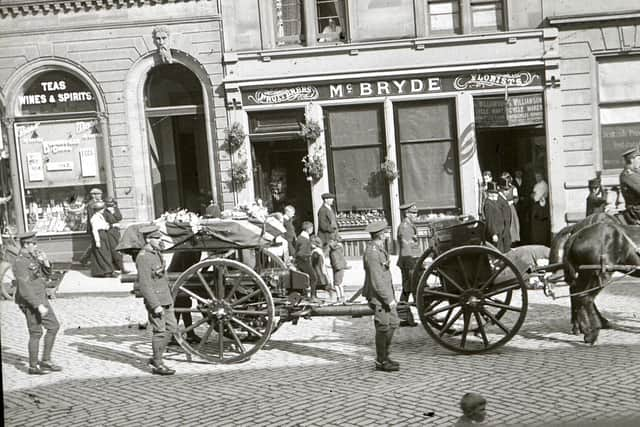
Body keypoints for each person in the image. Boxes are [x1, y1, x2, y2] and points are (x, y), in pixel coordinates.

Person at [13, 231, 62, 375]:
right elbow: (24, 287)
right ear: (26, 245)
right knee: (35, 333)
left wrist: (45, 262)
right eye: (33, 244)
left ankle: (46, 360)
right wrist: (37, 305)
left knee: (53, 326)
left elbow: (44, 275)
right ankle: (33, 367)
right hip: (31, 301)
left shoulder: (32, 257)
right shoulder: (20, 262)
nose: (35, 247)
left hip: (41, 297)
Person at [136, 224, 177, 375]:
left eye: (160, 237)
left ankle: (156, 356)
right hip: (157, 302)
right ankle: (158, 363)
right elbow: (145, 285)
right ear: (148, 239)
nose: (160, 240)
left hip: (166, 298)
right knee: (160, 331)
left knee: (172, 328)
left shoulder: (156, 252)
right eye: (156, 238)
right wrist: (155, 305)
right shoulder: (143, 258)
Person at [363, 220, 400, 372]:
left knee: (393, 322)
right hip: (379, 296)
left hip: (385, 293)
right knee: (383, 326)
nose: (388, 235)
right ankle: (381, 360)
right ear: (381, 235)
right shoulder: (372, 253)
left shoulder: (378, 248)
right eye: (386, 232)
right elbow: (377, 280)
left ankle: (385, 355)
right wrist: (388, 299)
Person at [396, 203, 420, 327]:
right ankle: (404, 317)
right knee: (410, 288)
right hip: (408, 262)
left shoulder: (409, 225)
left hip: (410, 261)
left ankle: (403, 318)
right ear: (407, 214)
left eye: (416, 213)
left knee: (408, 289)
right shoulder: (405, 227)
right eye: (414, 213)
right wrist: (413, 264)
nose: (416, 215)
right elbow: (406, 248)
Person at [483, 182, 511, 253]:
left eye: (496, 193)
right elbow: (490, 221)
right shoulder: (488, 204)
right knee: (498, 252)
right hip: (496, 232)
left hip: (500, 231)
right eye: (494, 193)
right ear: (489, 194)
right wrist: (493, 233)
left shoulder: (494, 202)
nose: (496, 195)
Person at [89, 201, 115, 277]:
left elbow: (104, 225)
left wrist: (107, 226)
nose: (103, 210)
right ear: (98, 209)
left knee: (106, 253)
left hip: (103, 234)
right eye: (102, 208)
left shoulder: (100, 216)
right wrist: (97, 241)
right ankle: (106, 272)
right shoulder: (94, 218)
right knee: (102, 254)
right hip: (99, 236)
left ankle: (108, 271)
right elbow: (94, 230)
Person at [295, 221, 317, 301]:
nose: (312, 230)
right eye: (312, 228)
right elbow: (301, 252)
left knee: (304, 278)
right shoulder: (304, 239)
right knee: (313, 278)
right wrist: (307, 255)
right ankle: (312, 296)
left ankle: (305, 296)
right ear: (309, 229)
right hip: (304, 261)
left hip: (300, 261)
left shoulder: (301, 237)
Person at [104, 196, 127, 273]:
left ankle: (119, 267)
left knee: (118, 249)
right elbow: (104, 223)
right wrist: (112, 225)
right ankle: (120, 268)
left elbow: (119, 217)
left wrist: (114, 212)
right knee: (114, 249)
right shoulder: (104, 211)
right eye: (110, 204)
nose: (112, 205)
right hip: (109, 232)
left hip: (116, 232)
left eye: (113, 203)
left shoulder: (115, 209)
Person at [619, 147, 640, 225]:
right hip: (635, 211)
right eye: (638, 159)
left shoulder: (636, 173)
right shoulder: (628, 175)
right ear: (632, 160)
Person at [530, 171, 550, 245]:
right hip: (537, 205)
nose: (537, 178)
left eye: (538, 176)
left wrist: (533, 195)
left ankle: (540, 241)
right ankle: (538, 241)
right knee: (536, 226)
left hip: (540, 206)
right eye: (536, 176)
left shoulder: (543, 185)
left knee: (540, 225)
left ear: (542, 176)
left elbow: (535, 197)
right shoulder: (537, 185)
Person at [500, 173, 520, 246]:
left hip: (510, 208)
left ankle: (512, 241)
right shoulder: (500, 188)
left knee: (512, 225)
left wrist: (509, 202)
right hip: (501, 208)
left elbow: (516, 199)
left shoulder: (513, 188)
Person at [310, 236, 332, 300]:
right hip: (320, 270)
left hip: (317, 270)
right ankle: (331, 293)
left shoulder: (315, 252)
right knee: (321, 284)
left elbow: (314, 261)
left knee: (316, 284)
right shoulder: (320, 251)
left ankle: (313, 296)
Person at [328, 237, 348, 303]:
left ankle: (339, 297)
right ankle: (341, 297)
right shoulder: (338, 249)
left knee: (336, 284)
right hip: (339, 267)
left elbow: (335, 260)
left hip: (337, 268)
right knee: (339, 283)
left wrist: (335, 266)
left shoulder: (334, 251)